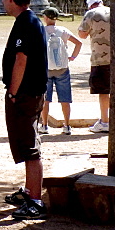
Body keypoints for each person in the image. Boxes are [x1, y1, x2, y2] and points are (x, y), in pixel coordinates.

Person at [0, 0, 48, 220]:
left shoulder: (26, 22)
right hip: (30, 91)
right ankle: (30, 190)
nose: (2, 3)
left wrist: (13, 92)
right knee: (28, 142)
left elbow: (21, 59)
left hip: (26, 93)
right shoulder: (28, 21)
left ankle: (35, 200)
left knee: (29, 146)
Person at [40, 7, 82, 135]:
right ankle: (67, 125)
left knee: (46, 98)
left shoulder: (41, 31)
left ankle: (44, 125)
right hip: (62, 68)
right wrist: (72, 57)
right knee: (65, 98)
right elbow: (78, 43)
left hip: (46, 68)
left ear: (46, 18)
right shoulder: (63, 31)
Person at [79, 0, 111, 133]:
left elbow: (82, 34)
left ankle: (105, 121)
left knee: (103, 91)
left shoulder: (91, 14)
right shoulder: (113, 11)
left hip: (100, 59)